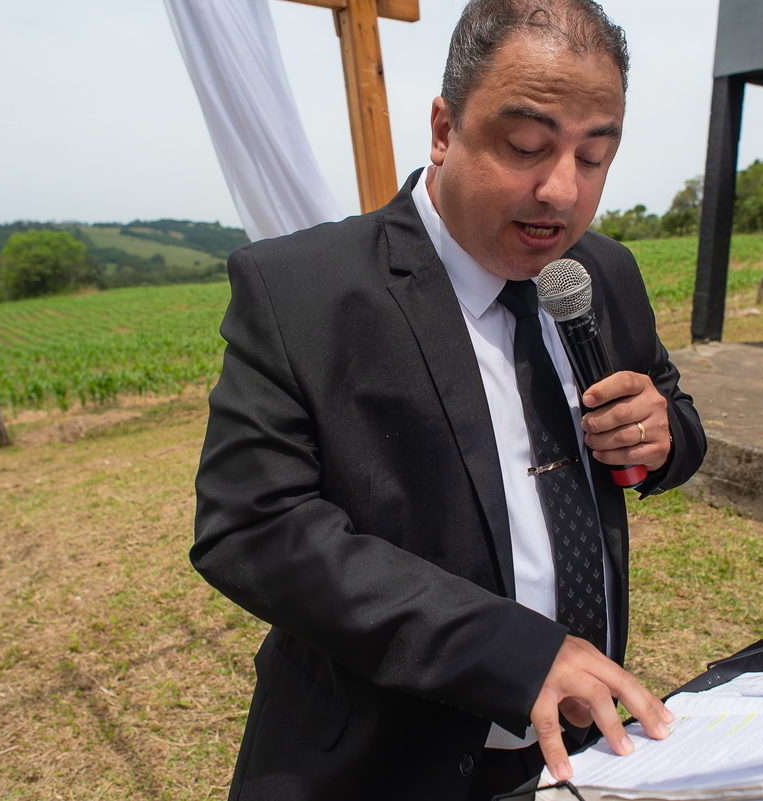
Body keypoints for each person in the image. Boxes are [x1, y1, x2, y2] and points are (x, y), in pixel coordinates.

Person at [192, 1, 706, 799]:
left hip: (578, 756)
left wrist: (664, 434)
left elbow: (672, 410)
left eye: (595, 158)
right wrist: (507, 649)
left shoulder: (601, 275)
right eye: (526, 146)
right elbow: (253, 526)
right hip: (375, 762)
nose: (562, 192)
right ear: (442, 128)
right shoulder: (303, 291)